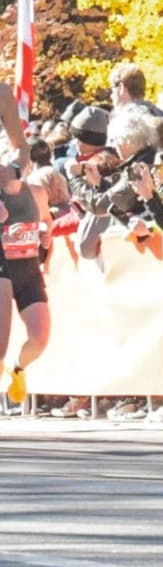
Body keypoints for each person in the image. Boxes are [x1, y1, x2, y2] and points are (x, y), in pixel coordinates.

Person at [0, 162, 53, 405]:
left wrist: (44, 235)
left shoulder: (37, 193)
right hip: (3, 271)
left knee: (40, 336)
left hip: (28, 270)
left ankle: (19, 370)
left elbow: (46, 222)